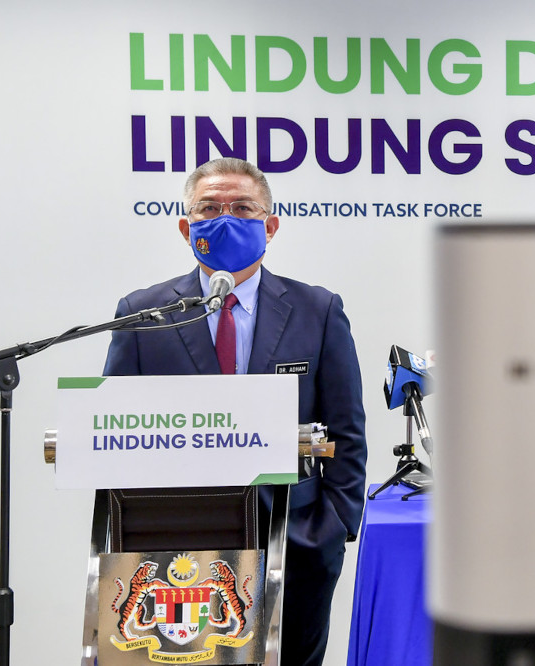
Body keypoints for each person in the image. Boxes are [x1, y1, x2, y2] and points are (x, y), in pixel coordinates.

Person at [104, 157, 367, 666]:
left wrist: (333, 525)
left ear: (270, 225)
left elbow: (346, 431)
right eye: (209, 208)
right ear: (186, 228)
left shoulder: (319, 310)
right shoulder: (143, 313)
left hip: (295, 545)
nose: (225, 218)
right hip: (174, 554)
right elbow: (115, 433)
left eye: (242, 207)